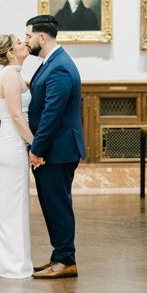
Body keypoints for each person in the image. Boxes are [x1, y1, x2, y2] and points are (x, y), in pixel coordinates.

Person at [25, 14, 85, 279]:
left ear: (42, 37)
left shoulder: (59, 66)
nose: (26, 42)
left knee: (58, 205)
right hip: (55, 149)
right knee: (52, 205)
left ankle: (66, 260)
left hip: (57, 150)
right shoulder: (50, 62)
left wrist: (37, 149)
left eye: (28, 36)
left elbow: (52, 113)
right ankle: (58, 257)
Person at [0, 33, 35, 279]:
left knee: (14, 206)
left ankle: (14, 263)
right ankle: (12, 265)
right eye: (20, 43)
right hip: (12, 146)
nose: (25, 43)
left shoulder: (13, 74)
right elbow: (15, 117)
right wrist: (37, 145)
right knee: (11, 208)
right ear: (11, 52)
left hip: (11, 146)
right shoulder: (11, 76)